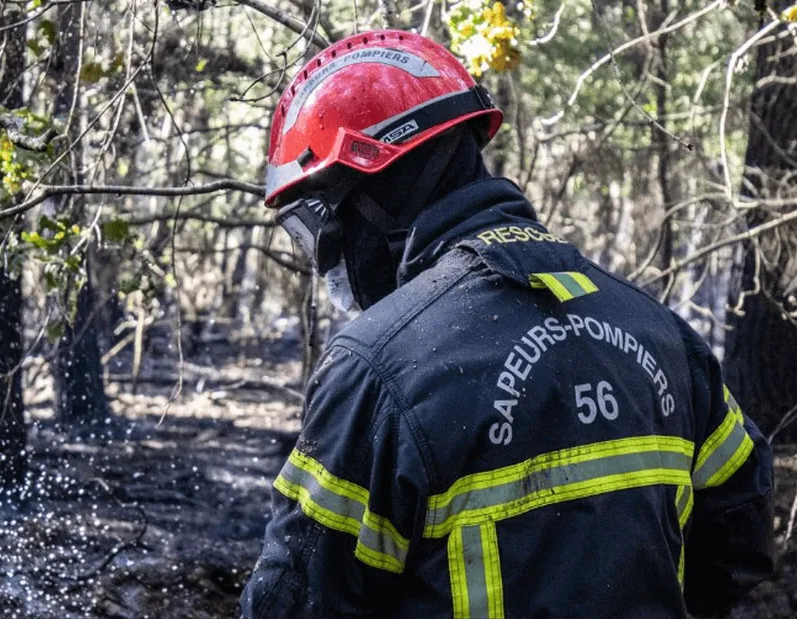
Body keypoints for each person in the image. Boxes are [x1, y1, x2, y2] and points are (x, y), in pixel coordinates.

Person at [240, 30, 774, 618]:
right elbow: (739, 534)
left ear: (365, 191)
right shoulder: (660, 332)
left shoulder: (377, 368)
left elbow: (294, 602)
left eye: (312, 227)